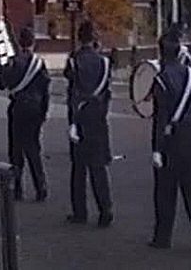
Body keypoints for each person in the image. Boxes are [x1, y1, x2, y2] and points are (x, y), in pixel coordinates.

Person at [148, 33, 191, 254]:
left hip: (170, 140)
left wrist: (157, 149)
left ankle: (162, 237)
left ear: (161, 53)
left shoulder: (161, 79)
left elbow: (161, 116)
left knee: (165, 191)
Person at [64, 20, 114, 228]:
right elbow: (106, 92)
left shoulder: (74, 61)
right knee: (98, 167)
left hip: (80, 117)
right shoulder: (104, 62)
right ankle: (105, 209)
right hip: (98, 117)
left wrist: (73, 121)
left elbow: (74, 92)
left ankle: (80, 211)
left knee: (79, 168)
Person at [0, 27, 50, 201]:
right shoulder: (39, 63)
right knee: (34, 149)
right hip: (35, 110)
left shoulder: (13, 62)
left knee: (16, 150)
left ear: (19, 43)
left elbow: (2, 84)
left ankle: (17, 187)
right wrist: (44, 112)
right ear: (33, 43)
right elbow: (45, 90)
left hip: (18, 108)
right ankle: (40, 186)